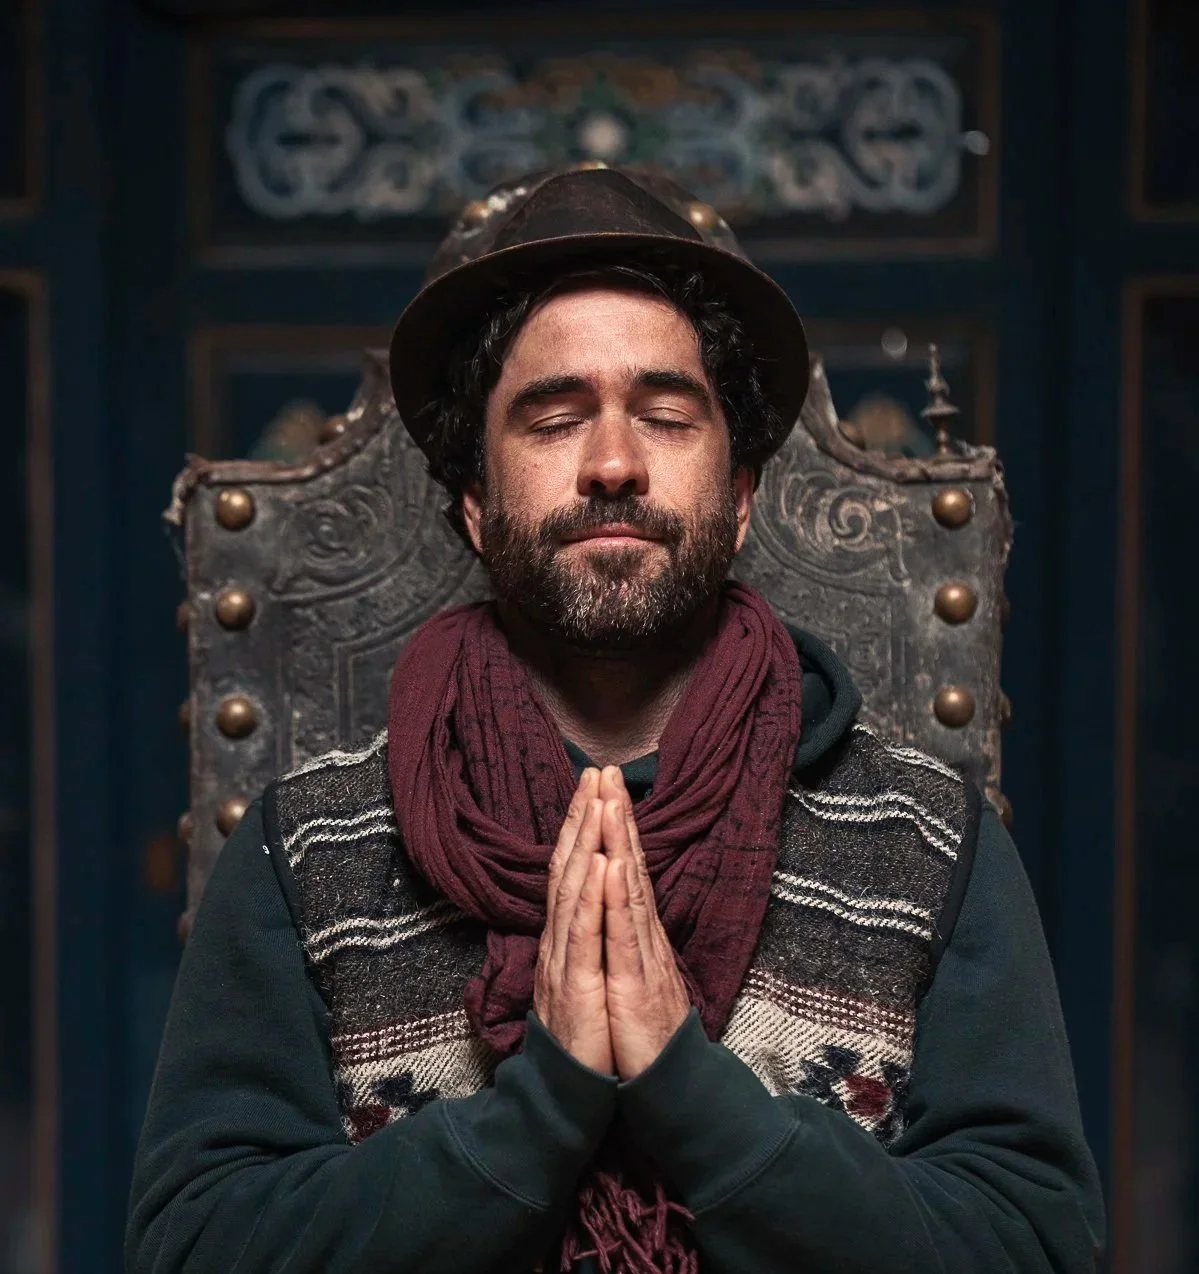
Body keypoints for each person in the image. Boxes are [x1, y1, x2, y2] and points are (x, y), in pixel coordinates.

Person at [127, 165, 1104, 1274]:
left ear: (737, 500)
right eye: (552, 418)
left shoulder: (929, 842)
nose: (610, 462)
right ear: (474, 503)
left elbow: (1032, 1246)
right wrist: (540, 1105)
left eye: (663, 414)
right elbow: (194, 1244)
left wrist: (688, 1090)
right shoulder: (309, 852)